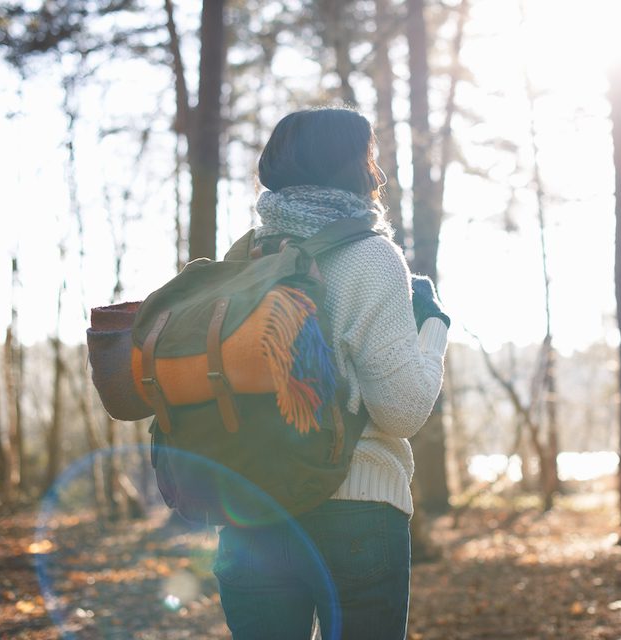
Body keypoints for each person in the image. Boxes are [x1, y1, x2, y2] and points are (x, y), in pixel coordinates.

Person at [212, 106, 450, 640]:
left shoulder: (244, 257)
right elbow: (402, 410)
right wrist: (432, 328)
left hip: (251, 511)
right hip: (356, 512)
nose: (378, 175)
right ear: (345, 166)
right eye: (369, 158)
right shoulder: (371, 256)